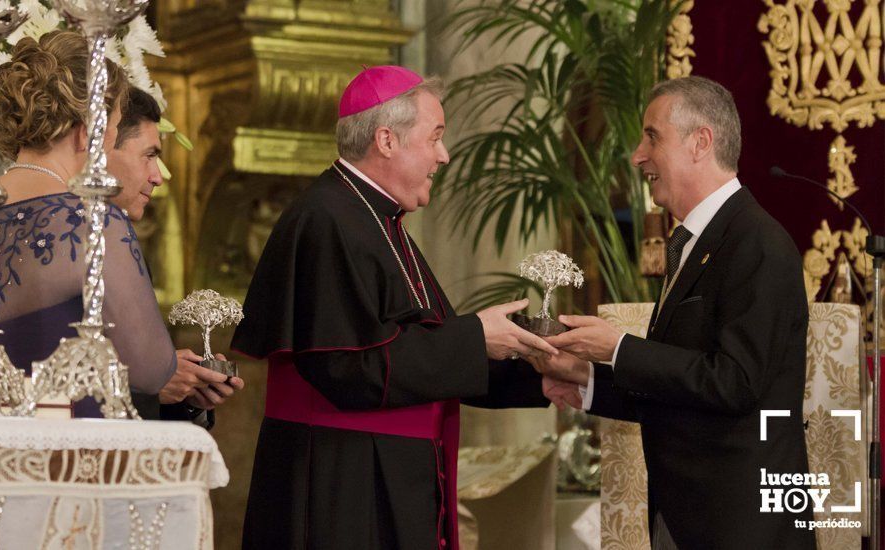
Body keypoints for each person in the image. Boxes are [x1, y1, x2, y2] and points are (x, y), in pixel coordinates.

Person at [232, 65, 563, 550]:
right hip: (343, 483)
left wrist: (546, 371)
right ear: (387, 140)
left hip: (382, 471)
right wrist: (474, 337)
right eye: (435, 138)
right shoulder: (327, 219)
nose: (444, 156)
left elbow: (424, 360)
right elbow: (352, 369)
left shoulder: (377, 221)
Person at [535, 76, 815, 549]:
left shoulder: (756, 243)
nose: (637, 155)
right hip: (686, 517)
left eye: (652, 136)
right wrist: (586, 379)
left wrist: (620, 348)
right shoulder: (693, 242)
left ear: (700, 142)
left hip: (742, 525)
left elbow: (734, 383)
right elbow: (680, 387)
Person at [0, 31, 175, 417]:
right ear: (86, 132)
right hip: (59, 453)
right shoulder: (91, 220)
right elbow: (151, 369)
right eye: (110, 128)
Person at [107, 86, 244, 424]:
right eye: (149, 155)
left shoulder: (124, 243)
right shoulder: (55, 244)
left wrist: (188, 395)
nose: (157, 176)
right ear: (102, 147)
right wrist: (149, 387)